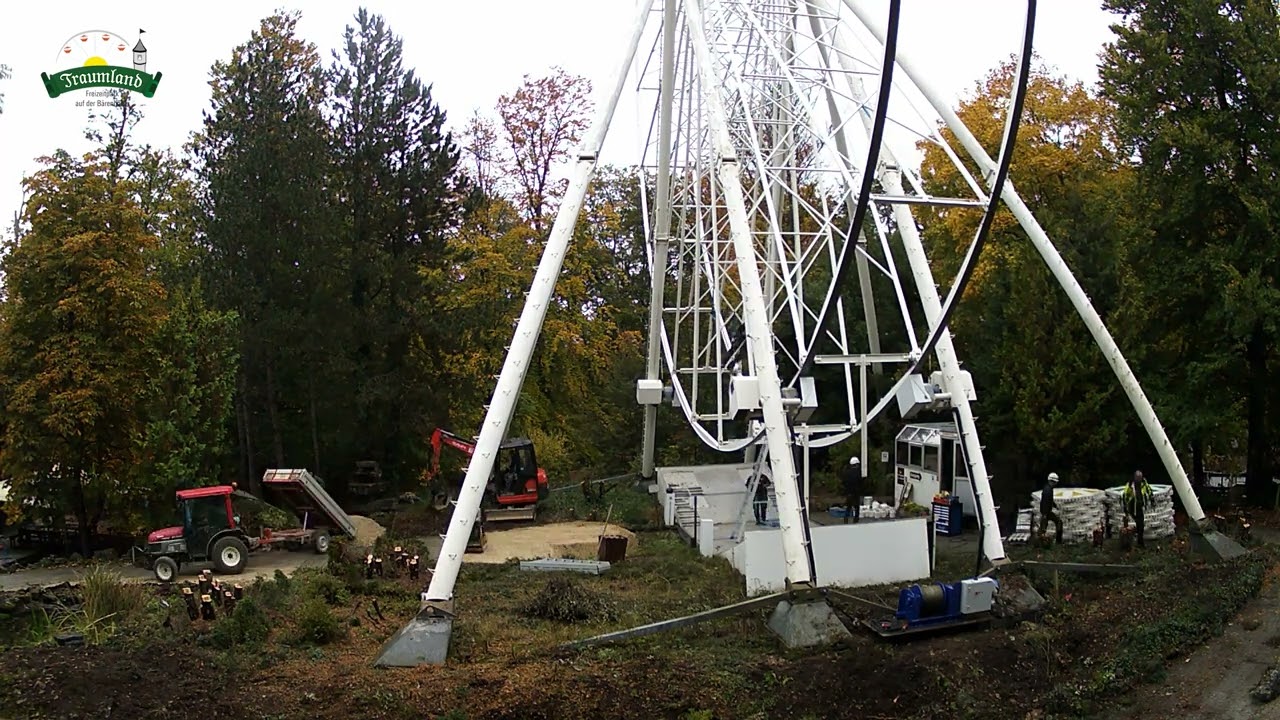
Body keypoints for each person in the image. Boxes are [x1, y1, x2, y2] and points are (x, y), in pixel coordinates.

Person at [1123, 470, 1154, 548]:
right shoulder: (1130, 485)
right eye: (1137, 478)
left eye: (1140, 478)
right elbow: (1125, 495)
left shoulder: (1144, 483)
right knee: (1138, 523)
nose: (1139, 480)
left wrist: (1152, 498)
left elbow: (1149, 490)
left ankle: (1140, 541)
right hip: (1132, 506)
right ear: (1134, 477)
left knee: (1141, 524)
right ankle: (1137, 541)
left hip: (1139, 506)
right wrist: (1125, 508)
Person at [1038, 472, 1063, 544]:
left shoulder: (1048, 488)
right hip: (1046, 512)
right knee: (1057, 522)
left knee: (1043, 527)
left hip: (1046, 511)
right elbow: (1045, 502)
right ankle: (1057, 541)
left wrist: (1055, 505)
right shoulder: (1048, 490)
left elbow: (1050, 500)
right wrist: (1045, 514)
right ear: (1053, 481)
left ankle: (1040, 542)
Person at [841, 456, 864, 524]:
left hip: (848, 493)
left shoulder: (847, 472)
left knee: (848, 507)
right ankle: (855, 521)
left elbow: (844, 482)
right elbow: (860, 482)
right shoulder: (858, 472)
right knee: (856, 508)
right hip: (856, 493)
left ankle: (845, 520)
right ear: (856, 464)